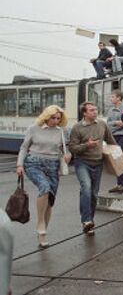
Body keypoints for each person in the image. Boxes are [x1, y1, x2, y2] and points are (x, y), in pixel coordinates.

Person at [16, 105, 71, 247]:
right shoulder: (33, 128)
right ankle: (40, 224)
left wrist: (68, 155)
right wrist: (19, 165)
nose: (56, 121)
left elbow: (65, 149)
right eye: (53, 118)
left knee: (50, 199)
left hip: (53, 165)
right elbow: (24, 147)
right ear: (46, 116)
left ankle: (43, 232)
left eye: (59, 118)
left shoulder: (61, 131)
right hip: (34, 163)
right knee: (44, 188)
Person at [69, 102, 117, 235]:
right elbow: (72, 148)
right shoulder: (77, 128)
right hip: (82, 163)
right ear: (84, 113)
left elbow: (111, 141)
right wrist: (87, 145)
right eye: (91, 110)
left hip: (98, 163)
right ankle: (86, 220)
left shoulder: (102, 124)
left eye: (95, 109)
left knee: (94, 194)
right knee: (86, 188)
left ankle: (89, 222)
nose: (94, 112)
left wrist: (118, 156)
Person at [106, 90, 123, 194]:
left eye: (113, 96)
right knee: (115, 160)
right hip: (113, 136)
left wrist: (116, 125)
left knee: (120, 160)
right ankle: (119, 184)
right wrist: (116, 123)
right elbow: (108, 124)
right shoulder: (110, 110)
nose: (111, 98)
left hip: (122, 137)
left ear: (119, 98)